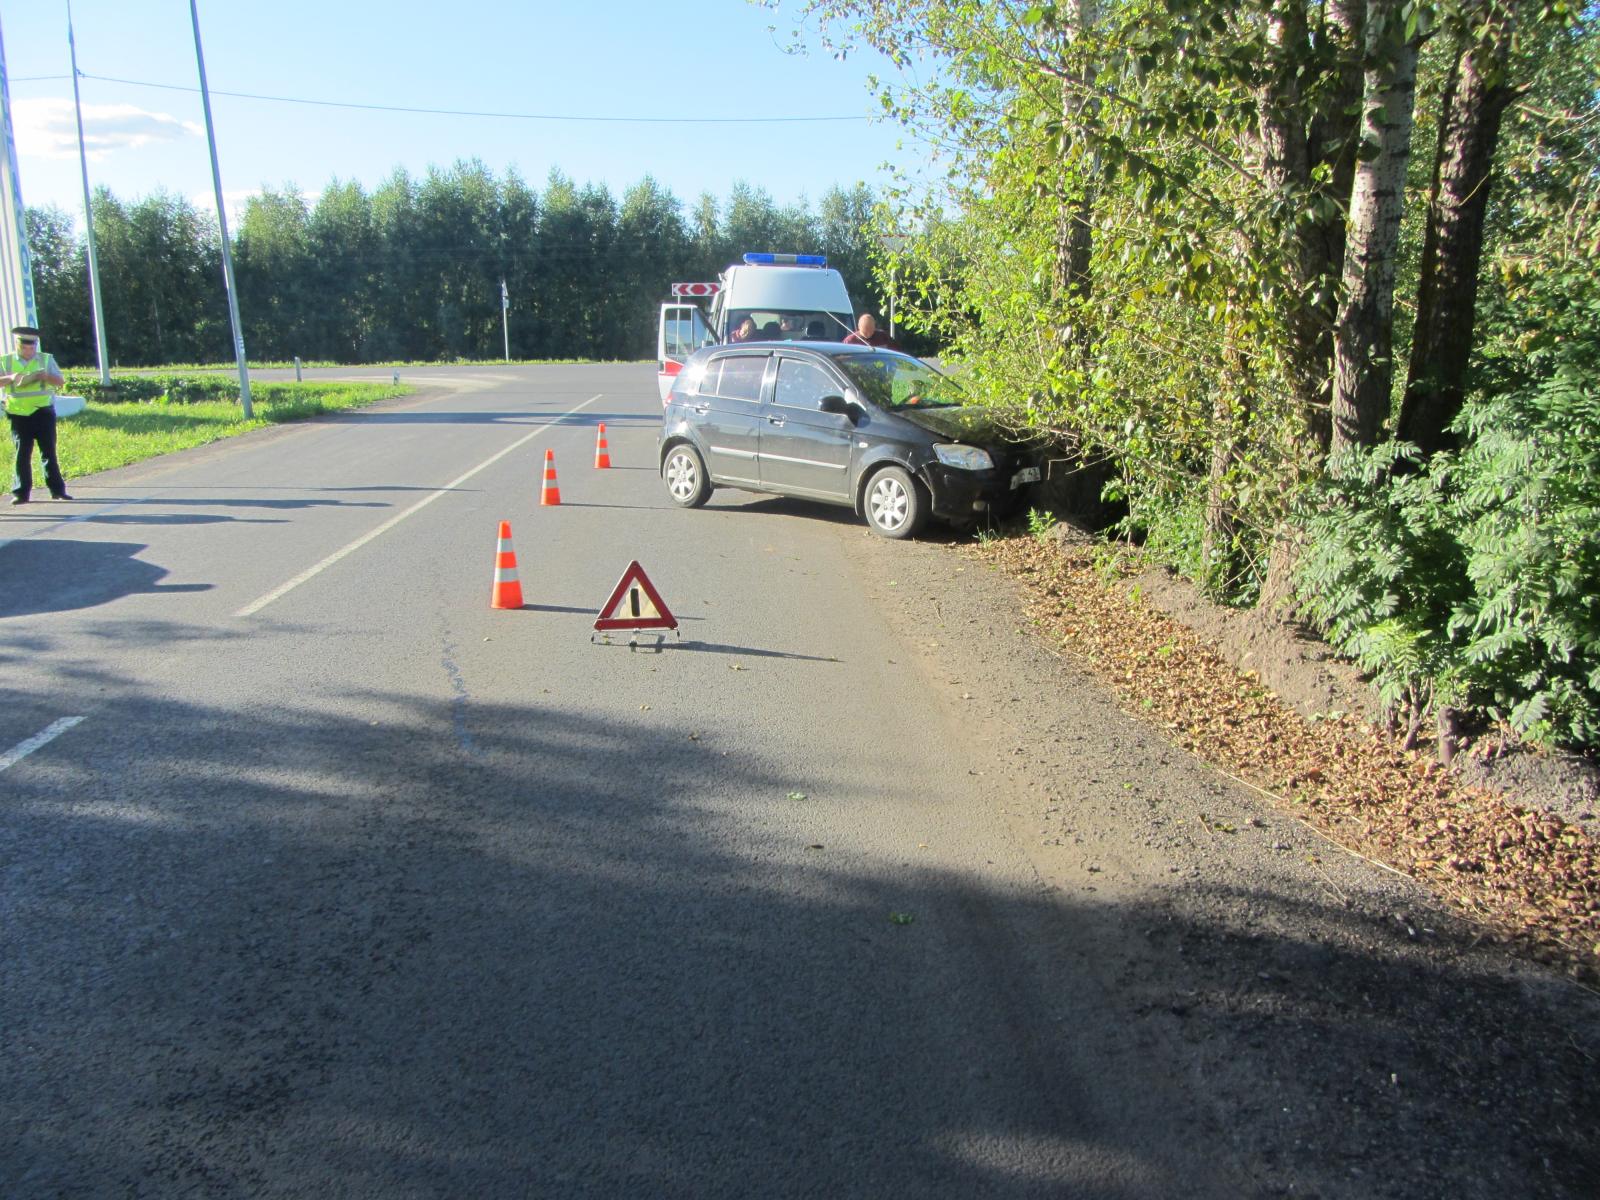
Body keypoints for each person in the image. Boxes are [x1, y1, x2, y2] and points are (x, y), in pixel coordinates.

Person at [2, 325, 71, 504]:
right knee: (22, 453)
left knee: (48, 451)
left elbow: (60, 381)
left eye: (32, 347)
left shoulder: (46, 360)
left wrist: (44, 376)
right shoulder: (6, 361)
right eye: (24, 348)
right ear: (17, 345)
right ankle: (21, 493)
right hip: (18, 414)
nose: (28, 351)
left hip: (43, 412)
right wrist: (11, 378)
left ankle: (57, 490)